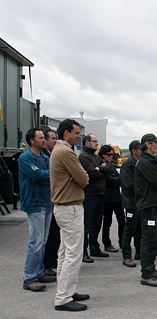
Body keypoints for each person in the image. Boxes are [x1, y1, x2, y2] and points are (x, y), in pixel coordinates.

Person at [50, 119, 89, 311]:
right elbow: (84, 178)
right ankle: (64, 297)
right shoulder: (66, 152)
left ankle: (66, 290)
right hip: (70, 206)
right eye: (76, 133)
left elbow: (80, 177)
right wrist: (79, 177)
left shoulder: (59, 150)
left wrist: (78, 177)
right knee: (73, 253)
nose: (79, 136)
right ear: (66, 133)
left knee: (65, 252)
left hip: (64, 207)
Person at [19, 128, 56, 292]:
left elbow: (47, 176)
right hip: (35, 203)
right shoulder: (25, 158)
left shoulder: (45, 157)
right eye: (41, 137)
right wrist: (44, 175)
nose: (44, 140)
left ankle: (39, 272)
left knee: (44, 239)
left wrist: (43, 175)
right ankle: (30, 278)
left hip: (47, 202)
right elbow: (42, 175)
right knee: (36, 241)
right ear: (32, 141)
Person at [135, 133, 157, 287]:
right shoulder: (145, 163)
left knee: (154, 239)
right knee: (148, 239)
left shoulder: (150, 161)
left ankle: (151, 268)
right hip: (149, 206)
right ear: (148, 144)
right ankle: (146, 274)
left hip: (154, 204)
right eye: (156, 143)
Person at [79, 134, 112, 262]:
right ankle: (83, 251)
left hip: (100, 194)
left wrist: (102, 168)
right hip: (90, 194)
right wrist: (101, 169)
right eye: (94, 141)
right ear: (87, 143)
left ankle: (94, 248)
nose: (97, 144)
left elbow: (109, 168)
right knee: (87, 224)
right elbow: (92, 173)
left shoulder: (96, 157)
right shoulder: (83, 157)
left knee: (97, 223)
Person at [120, 140, 142, 267]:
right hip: (131, 203)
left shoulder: (138, 164)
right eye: (140, 149)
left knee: (140, 228)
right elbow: (129, 186)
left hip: (139, 202)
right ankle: (126, 255)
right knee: (129, 229)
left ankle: (138, 251)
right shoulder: (127, 165)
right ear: (134, 151)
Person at [99, 145, 125, 253]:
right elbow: (109, 179)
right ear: (102, 155)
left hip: (116, 196)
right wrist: (117, 181)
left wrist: (117, 181)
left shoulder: (111, 165)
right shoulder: (102, 165)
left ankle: (122, 241)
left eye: (112, 154)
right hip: (107, 197)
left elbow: (119, 178)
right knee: (107, 222)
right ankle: (107, 243)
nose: (110, 156)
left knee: (122, 220)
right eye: (108, 154)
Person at [42, 128, 60, 277]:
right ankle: (46, 264)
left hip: (53, 199)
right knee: (44, 236)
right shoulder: (40, 156)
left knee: (54, 233)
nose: (55, 141)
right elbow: (38, 174)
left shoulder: (51, 155)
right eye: (52, 138)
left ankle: (52, 261)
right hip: (44, 200)